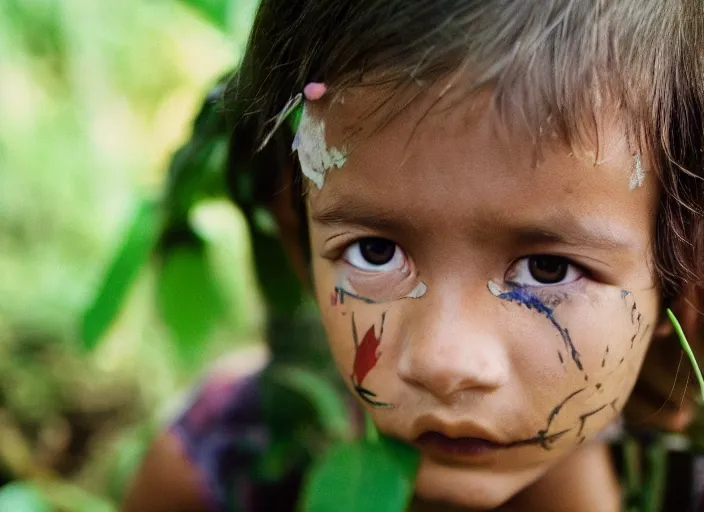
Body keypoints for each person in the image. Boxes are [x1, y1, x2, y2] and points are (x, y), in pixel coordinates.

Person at [122, 1, 704, 510]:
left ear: (683, 278)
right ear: (299, 242)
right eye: (374, 252)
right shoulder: (216, 474)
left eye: (548, 269)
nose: (444, 363)